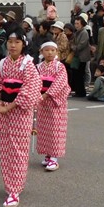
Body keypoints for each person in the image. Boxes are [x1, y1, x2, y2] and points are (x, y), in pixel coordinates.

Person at [0, 25, 42, 207]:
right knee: (5, 150)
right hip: (4, 107)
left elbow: (30, 88)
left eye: (17, 42)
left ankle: (15, 189)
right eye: (10, 42)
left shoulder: (28, 64)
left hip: (19, 111)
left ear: (23, 44)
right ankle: (9, 184)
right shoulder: (2, 64)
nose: (12, 46)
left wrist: (9, 106)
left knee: (18, 150)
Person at [35, 40, 70, 171]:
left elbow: (60, 83)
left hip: (55, 102)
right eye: (47, 50)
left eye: (52, 50)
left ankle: (54, 157)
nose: (50, 53)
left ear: (56, 52)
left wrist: (46, 94)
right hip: (42, 102)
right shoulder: (39, 67)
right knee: (44, 128)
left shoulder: (59, 66)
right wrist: (38, 94)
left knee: (55, 128)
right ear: (42, 52)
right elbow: (35, 82)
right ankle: (48, 155)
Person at [69, 16, 91, 97]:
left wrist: (73, 47)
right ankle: (78, 91)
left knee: (80, 75)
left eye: (78, 23)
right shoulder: (77, 32)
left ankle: (81, 92)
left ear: (82, 24)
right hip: (77, 56)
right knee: (77, 75)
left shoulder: (84, 32)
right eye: (75, 23)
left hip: (82, 57)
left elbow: (81, 45)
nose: (76, 25)